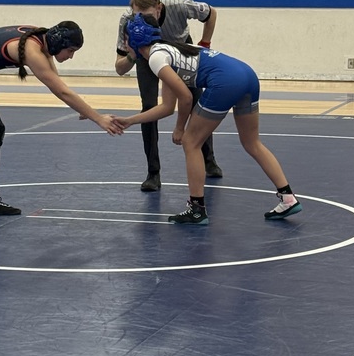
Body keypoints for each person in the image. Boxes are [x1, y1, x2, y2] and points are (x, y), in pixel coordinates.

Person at [112, 13, 300, 226]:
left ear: (134, 40)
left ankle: (197, 208)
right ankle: (288, 197)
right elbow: (166, 107)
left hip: (225, 82)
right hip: (247, 75)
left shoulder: (156, 58)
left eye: (125, 38)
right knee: (252, 143)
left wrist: (180, 129)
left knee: (191, 143)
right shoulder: (169, 51)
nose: (124, 44)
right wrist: (130, 120)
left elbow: (186, 98)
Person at [0, 21, 122, 215]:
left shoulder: (42, 37)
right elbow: (60, 91)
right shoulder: (32, 51)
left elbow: (54, 77)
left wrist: (81, 109)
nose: (71, 56)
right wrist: (97, 118)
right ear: (57, 45)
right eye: (71, 51)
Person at [114, 0, 222, 191]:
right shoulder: (126, 20)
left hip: (180, 49)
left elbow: (211, 12)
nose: (142, 21)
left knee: (196, 102)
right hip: (146, 55)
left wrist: (205, 43)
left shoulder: (177, 4)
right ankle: (153, 173)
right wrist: (133, 55)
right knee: (148, 106)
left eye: (147, 16)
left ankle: (209, 158)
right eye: (137, 16)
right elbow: (120, 68)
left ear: (159, 7)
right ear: (131, 10)